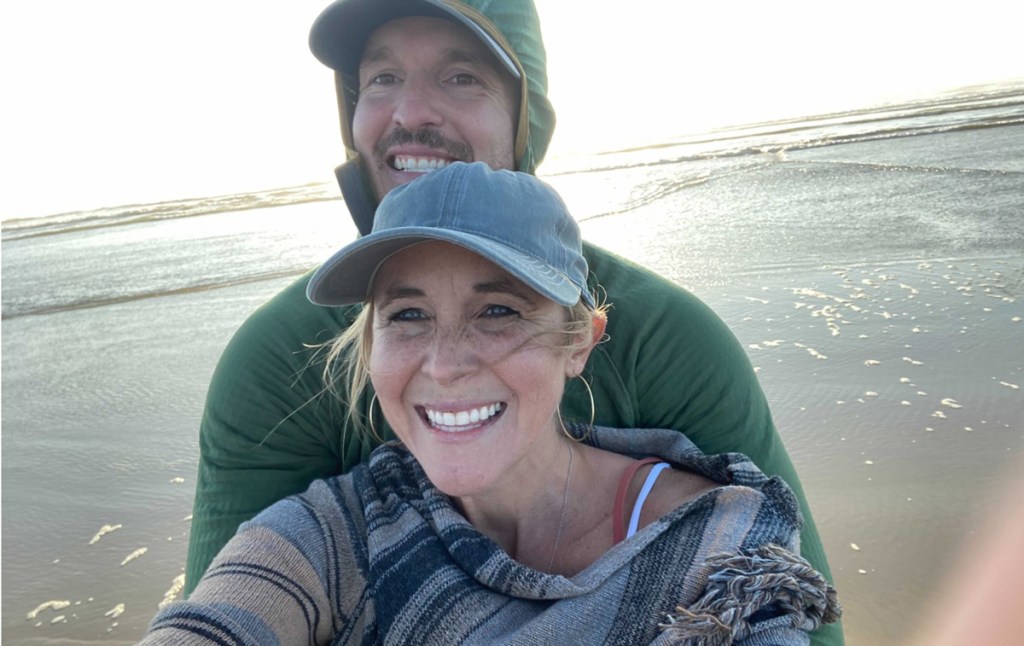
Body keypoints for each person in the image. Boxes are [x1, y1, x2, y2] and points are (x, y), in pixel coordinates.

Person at [185, 1, 845, 643]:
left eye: (461, 74)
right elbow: (244, 594)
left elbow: (789, 606)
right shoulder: (279, 374)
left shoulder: (668, 343)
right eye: (381, 77)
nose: (409, 113)